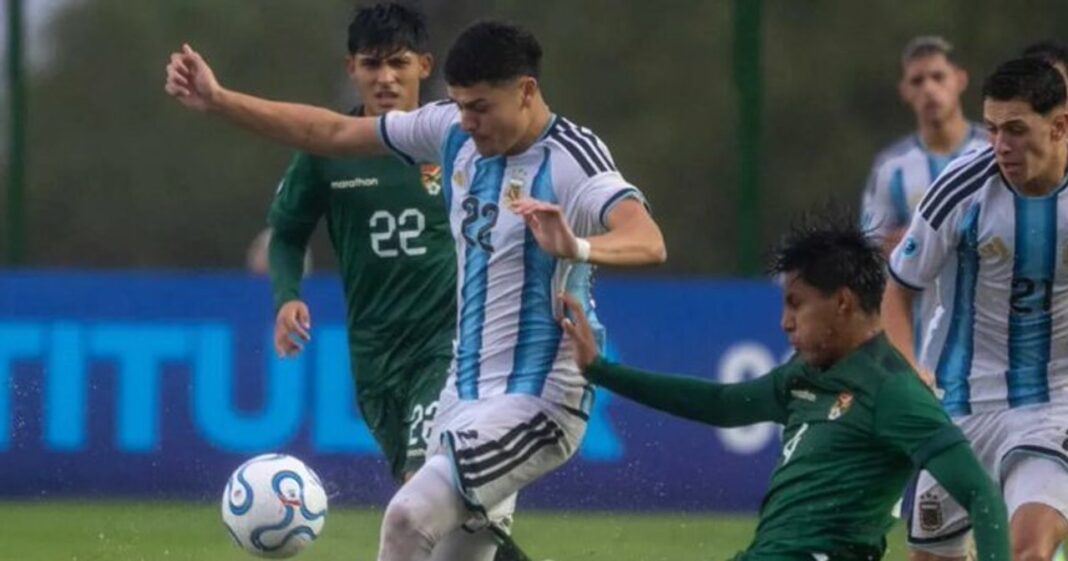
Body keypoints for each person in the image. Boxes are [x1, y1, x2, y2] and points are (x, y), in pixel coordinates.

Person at [165, 19, 667, 561]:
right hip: (463, 392)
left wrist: (578, 247)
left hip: (536, 398)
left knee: (407, 516)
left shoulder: (572, 157)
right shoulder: (450, 130)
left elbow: (647, 238)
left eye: (480, 107)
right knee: (456, 551)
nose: (467, 122)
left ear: (526, 91)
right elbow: (331, 134)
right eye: (459, 105)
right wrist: (220, 100)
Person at [559, 209, 1009, 561]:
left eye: (796, 305)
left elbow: (981, 493)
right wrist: (600, 370)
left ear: (843, 303)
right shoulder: (806, 375)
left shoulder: (894, 391)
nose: (784, 322)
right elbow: (722, 403)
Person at [883, 57, 1068, 561]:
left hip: (1052, 404)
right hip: (958, 404)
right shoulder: (961, 189)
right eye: (991, 129)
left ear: (1059, 127)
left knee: (1026, 551)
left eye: (1016, 129)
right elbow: (899, 288)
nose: (1001, 145)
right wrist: (907, 371)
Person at [266, 2, 453, 484]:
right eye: (372, 63)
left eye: (399, 62)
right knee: (440, 515)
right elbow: (287, 234)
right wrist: (287, 298)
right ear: (352, 69)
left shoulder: (455, 141)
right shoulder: (327, 153)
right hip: (375, 355)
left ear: (424, 66)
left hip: (448, 344)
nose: (385, 77)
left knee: (426, 486)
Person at [861, 36, 987, 370]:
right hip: (919, 339)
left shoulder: (995, 151)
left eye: (938, 77)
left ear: (960, 80)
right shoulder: (892, 168)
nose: (929, 89)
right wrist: (891, 245)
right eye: (918, 81)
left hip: (991, 334)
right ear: (905, 91)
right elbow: (868, 248)